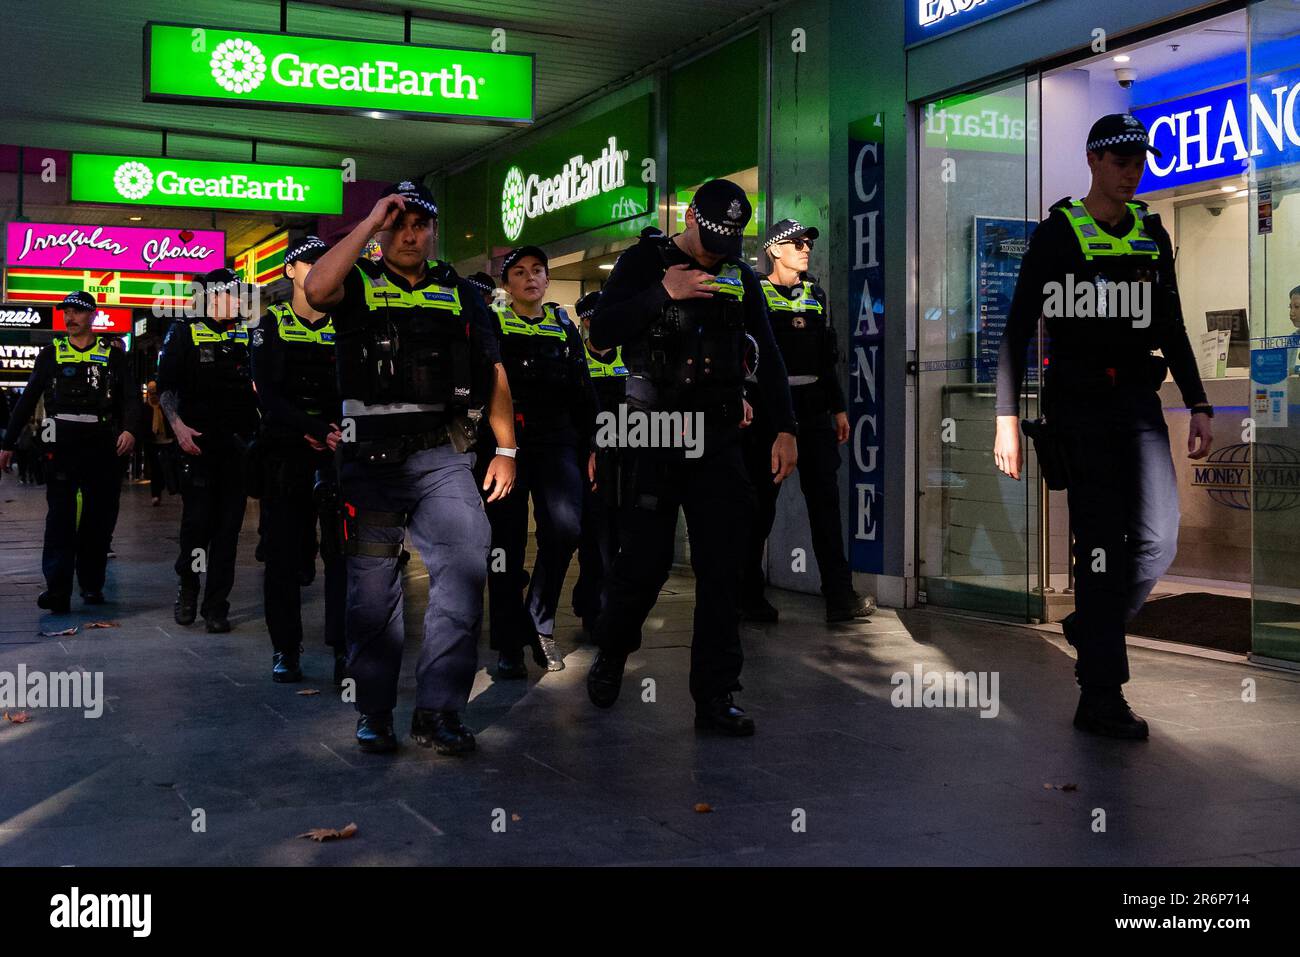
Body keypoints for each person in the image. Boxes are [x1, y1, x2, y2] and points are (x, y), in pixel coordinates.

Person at [993, 113, 1214, 740]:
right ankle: (1100, 695)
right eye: (1120, 160)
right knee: (1099, 548)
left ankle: (1093, 626)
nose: (1131, 170)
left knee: (1160, 538)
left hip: (1139, 405)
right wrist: (1006, 416)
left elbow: (1170, 323)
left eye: (1138, 160)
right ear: (1093, 161)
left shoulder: (1151, 229)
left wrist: (1198, 402)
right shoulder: (1057, 234)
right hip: (1079, 407)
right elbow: (1016, 329)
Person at [304, 179, 518, 756]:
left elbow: (494, 369)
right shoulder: (356, 281)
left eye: (419, 224)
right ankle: (375, 710)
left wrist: (506, 448)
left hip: (442, 455)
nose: (410, 233)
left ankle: (439, 711)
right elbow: (317, 289)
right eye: (398, 223)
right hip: (370, 460)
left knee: (465, 575)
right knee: (373, 592)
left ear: (433, 231)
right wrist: (368, 222)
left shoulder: (459, 290)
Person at [585, 178, 799, 736]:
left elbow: (769, 356)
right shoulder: (643, 261)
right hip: (654, 430)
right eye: (711, 236)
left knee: (724, 566)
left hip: (720, 435)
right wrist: (664, 291)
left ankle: (716, 696)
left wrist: (784, 428)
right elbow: (601, 334)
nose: (717, 249)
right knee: (646, 562)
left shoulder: (740, 274)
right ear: (690, 216)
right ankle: (612, 650)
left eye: (730, 240)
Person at [741, 219, 877, 624]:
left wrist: (837, 408)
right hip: (768, 412)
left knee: (826, 505)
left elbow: (826, 358)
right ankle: (746, 595)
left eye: (807, 243)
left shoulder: (815, 295)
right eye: (796, 243)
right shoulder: (756, 295)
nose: (805, 248)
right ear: (774, 250)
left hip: (815, 410)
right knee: (760, 507)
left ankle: (839, 595)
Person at [479, 246, 598, 679]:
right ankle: (509, 642)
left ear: (547, 280)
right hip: (505, 446)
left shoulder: (563, 326)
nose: (530, 278)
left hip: (558, 443)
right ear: (506, 283)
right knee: (504, 546)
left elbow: (584, 389)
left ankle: (539, 617)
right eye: (520, 272)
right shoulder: (493, 322)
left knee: (566, 529)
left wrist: (592, 446)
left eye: (538, 271)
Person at [0, 291, 144, 612]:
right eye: (66, 312)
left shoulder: (113, 355)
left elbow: (132, 397)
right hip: (61, 443)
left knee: (99, 517)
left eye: (77, 312)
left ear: (93, 315)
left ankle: (92, 584)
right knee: (60, 519)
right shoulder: (51, 353)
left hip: (102, 444)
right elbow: (27, 400)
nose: (70, 318)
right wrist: (8, 443)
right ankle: (58, 590)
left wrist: (131, 430)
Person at [250, 236, 348, 685]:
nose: (318, 270)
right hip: (286, 454)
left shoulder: (346, 323)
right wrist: (310, 429)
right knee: (284, 557)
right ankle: (285, 649)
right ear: (290, 271)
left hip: (337, 452)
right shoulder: (268, 324)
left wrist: (334, 431)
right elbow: (267, 394)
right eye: (309, 263)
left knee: (344, 555)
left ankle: (343, 644)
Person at [157, 268, 260, 633]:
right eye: (232, 293)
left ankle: (217, 606)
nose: (239, 300)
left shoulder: (247, 334)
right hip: (197, 447)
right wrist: (178, 427)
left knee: (228, 531)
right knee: (197, 527)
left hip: (236, 450)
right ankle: (188, 587)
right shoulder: (183, 331)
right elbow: (166, 388)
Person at [571, 289, 629, 636]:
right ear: (588, 320)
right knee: (594, 538)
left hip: (627, 457)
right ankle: (593, 606)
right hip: (589, 460)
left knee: (621, 537)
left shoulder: (630, 357)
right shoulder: (577, 358)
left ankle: (609, 604)